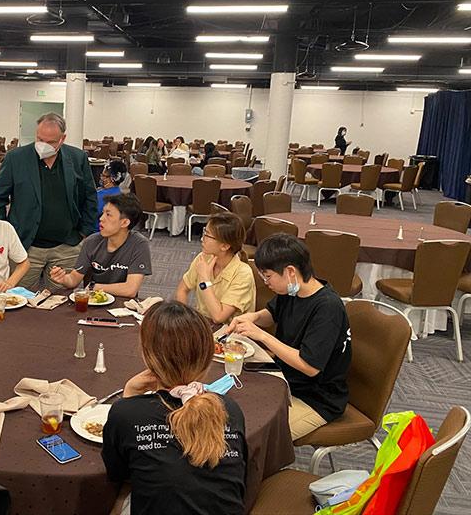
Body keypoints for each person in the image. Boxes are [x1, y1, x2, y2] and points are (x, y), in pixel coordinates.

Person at [102, 300, 247, 515]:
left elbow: (118, 473)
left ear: (146, 355)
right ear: (207, 358)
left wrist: (129, 396)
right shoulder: (230, 409)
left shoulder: (126, 414)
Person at [226, 233, 351, 440]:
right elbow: (271, 315)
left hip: (316, 398)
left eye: (268, 276)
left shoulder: (327, 308)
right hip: (286, 379)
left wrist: (263, 337)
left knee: (252, 435)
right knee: (235, 402)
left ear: (290, 272)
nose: (266, 282)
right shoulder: (293, 291)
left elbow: (309, 367)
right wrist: (254, 317)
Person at [0, 112, 98, 291]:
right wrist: (5, 232)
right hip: (26, 246)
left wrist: (84, 232)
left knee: (59, 303)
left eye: (50, 142)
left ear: (62, 139)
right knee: (18, 298)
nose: (43, 146)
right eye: (40, 139)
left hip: (66, 246)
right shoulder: (15, 158)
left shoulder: (77, 158)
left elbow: (90, 196)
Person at [49, 193, 151, 298]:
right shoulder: (92, 241)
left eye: (108, 214)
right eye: (102, 213)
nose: (101, 218)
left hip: (123, 304)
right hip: (94, 302)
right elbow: (74, 280)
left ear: (124, 222)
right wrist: (63, 279)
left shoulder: (139, 244)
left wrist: (94, 286)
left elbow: (130, 290)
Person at [176, 212, 255, 325]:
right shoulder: (204, 258)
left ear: (225, 246)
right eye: (204, 232)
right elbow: (182, 290)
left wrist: (205, 280)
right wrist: (185, 321)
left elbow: (218, 317)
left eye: (207, 236)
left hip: (229, 334)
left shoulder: (243, 273)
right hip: (203, 325)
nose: (202, 239)